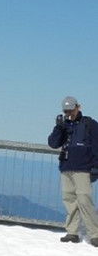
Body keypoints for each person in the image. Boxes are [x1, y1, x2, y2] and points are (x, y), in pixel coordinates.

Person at [47, 96, 98, 247]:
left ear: (78, 107)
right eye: (66, 111)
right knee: (69, 200)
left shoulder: (89, 124)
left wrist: (96, 167)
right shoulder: (64, 126)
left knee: (84, 200)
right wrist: (59, 128)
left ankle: (95, 234)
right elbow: (53, 143)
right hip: (66, 167)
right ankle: (72, 232)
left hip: (84, 168)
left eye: (71, 110)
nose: (69, 113)